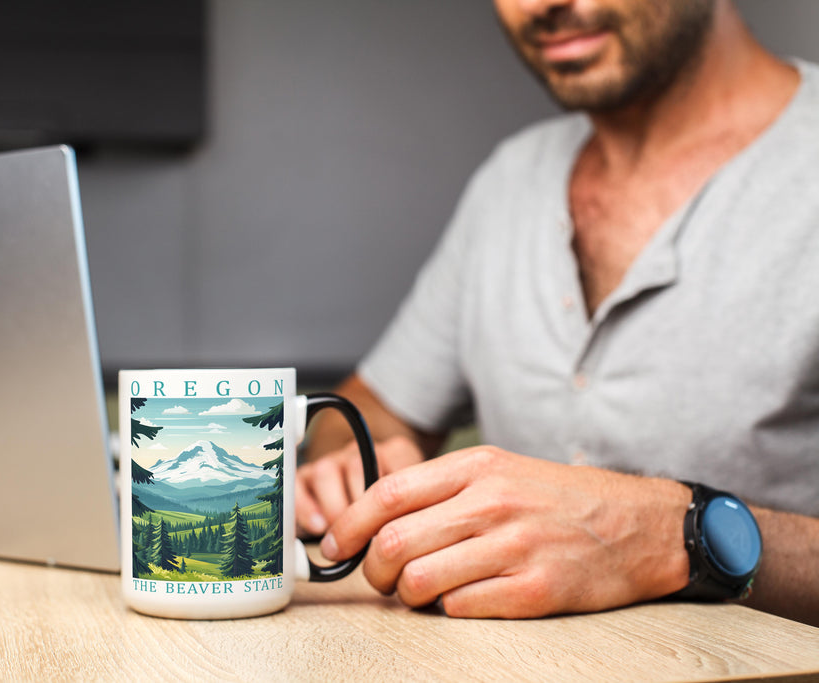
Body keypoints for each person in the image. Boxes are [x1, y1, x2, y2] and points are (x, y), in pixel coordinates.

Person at [295, 0, 819, 626]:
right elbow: (370, 408)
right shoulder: (509, 182)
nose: (543, 4)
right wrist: (356, 462)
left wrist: (669, 536)